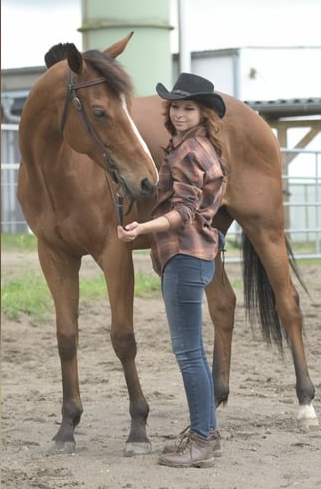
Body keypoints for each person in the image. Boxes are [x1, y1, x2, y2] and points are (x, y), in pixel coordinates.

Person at [117, 73, 228, 468]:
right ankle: (207, 437)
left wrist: (143, 228)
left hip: (183, 255)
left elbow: (184, 213)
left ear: (203, 114)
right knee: (192, 352)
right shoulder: (196, 146)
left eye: (188, 108)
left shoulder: (188, 152)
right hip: (194, 256)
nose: (179, 114)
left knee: (189, 354)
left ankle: (202, 441)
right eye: (176, 107)